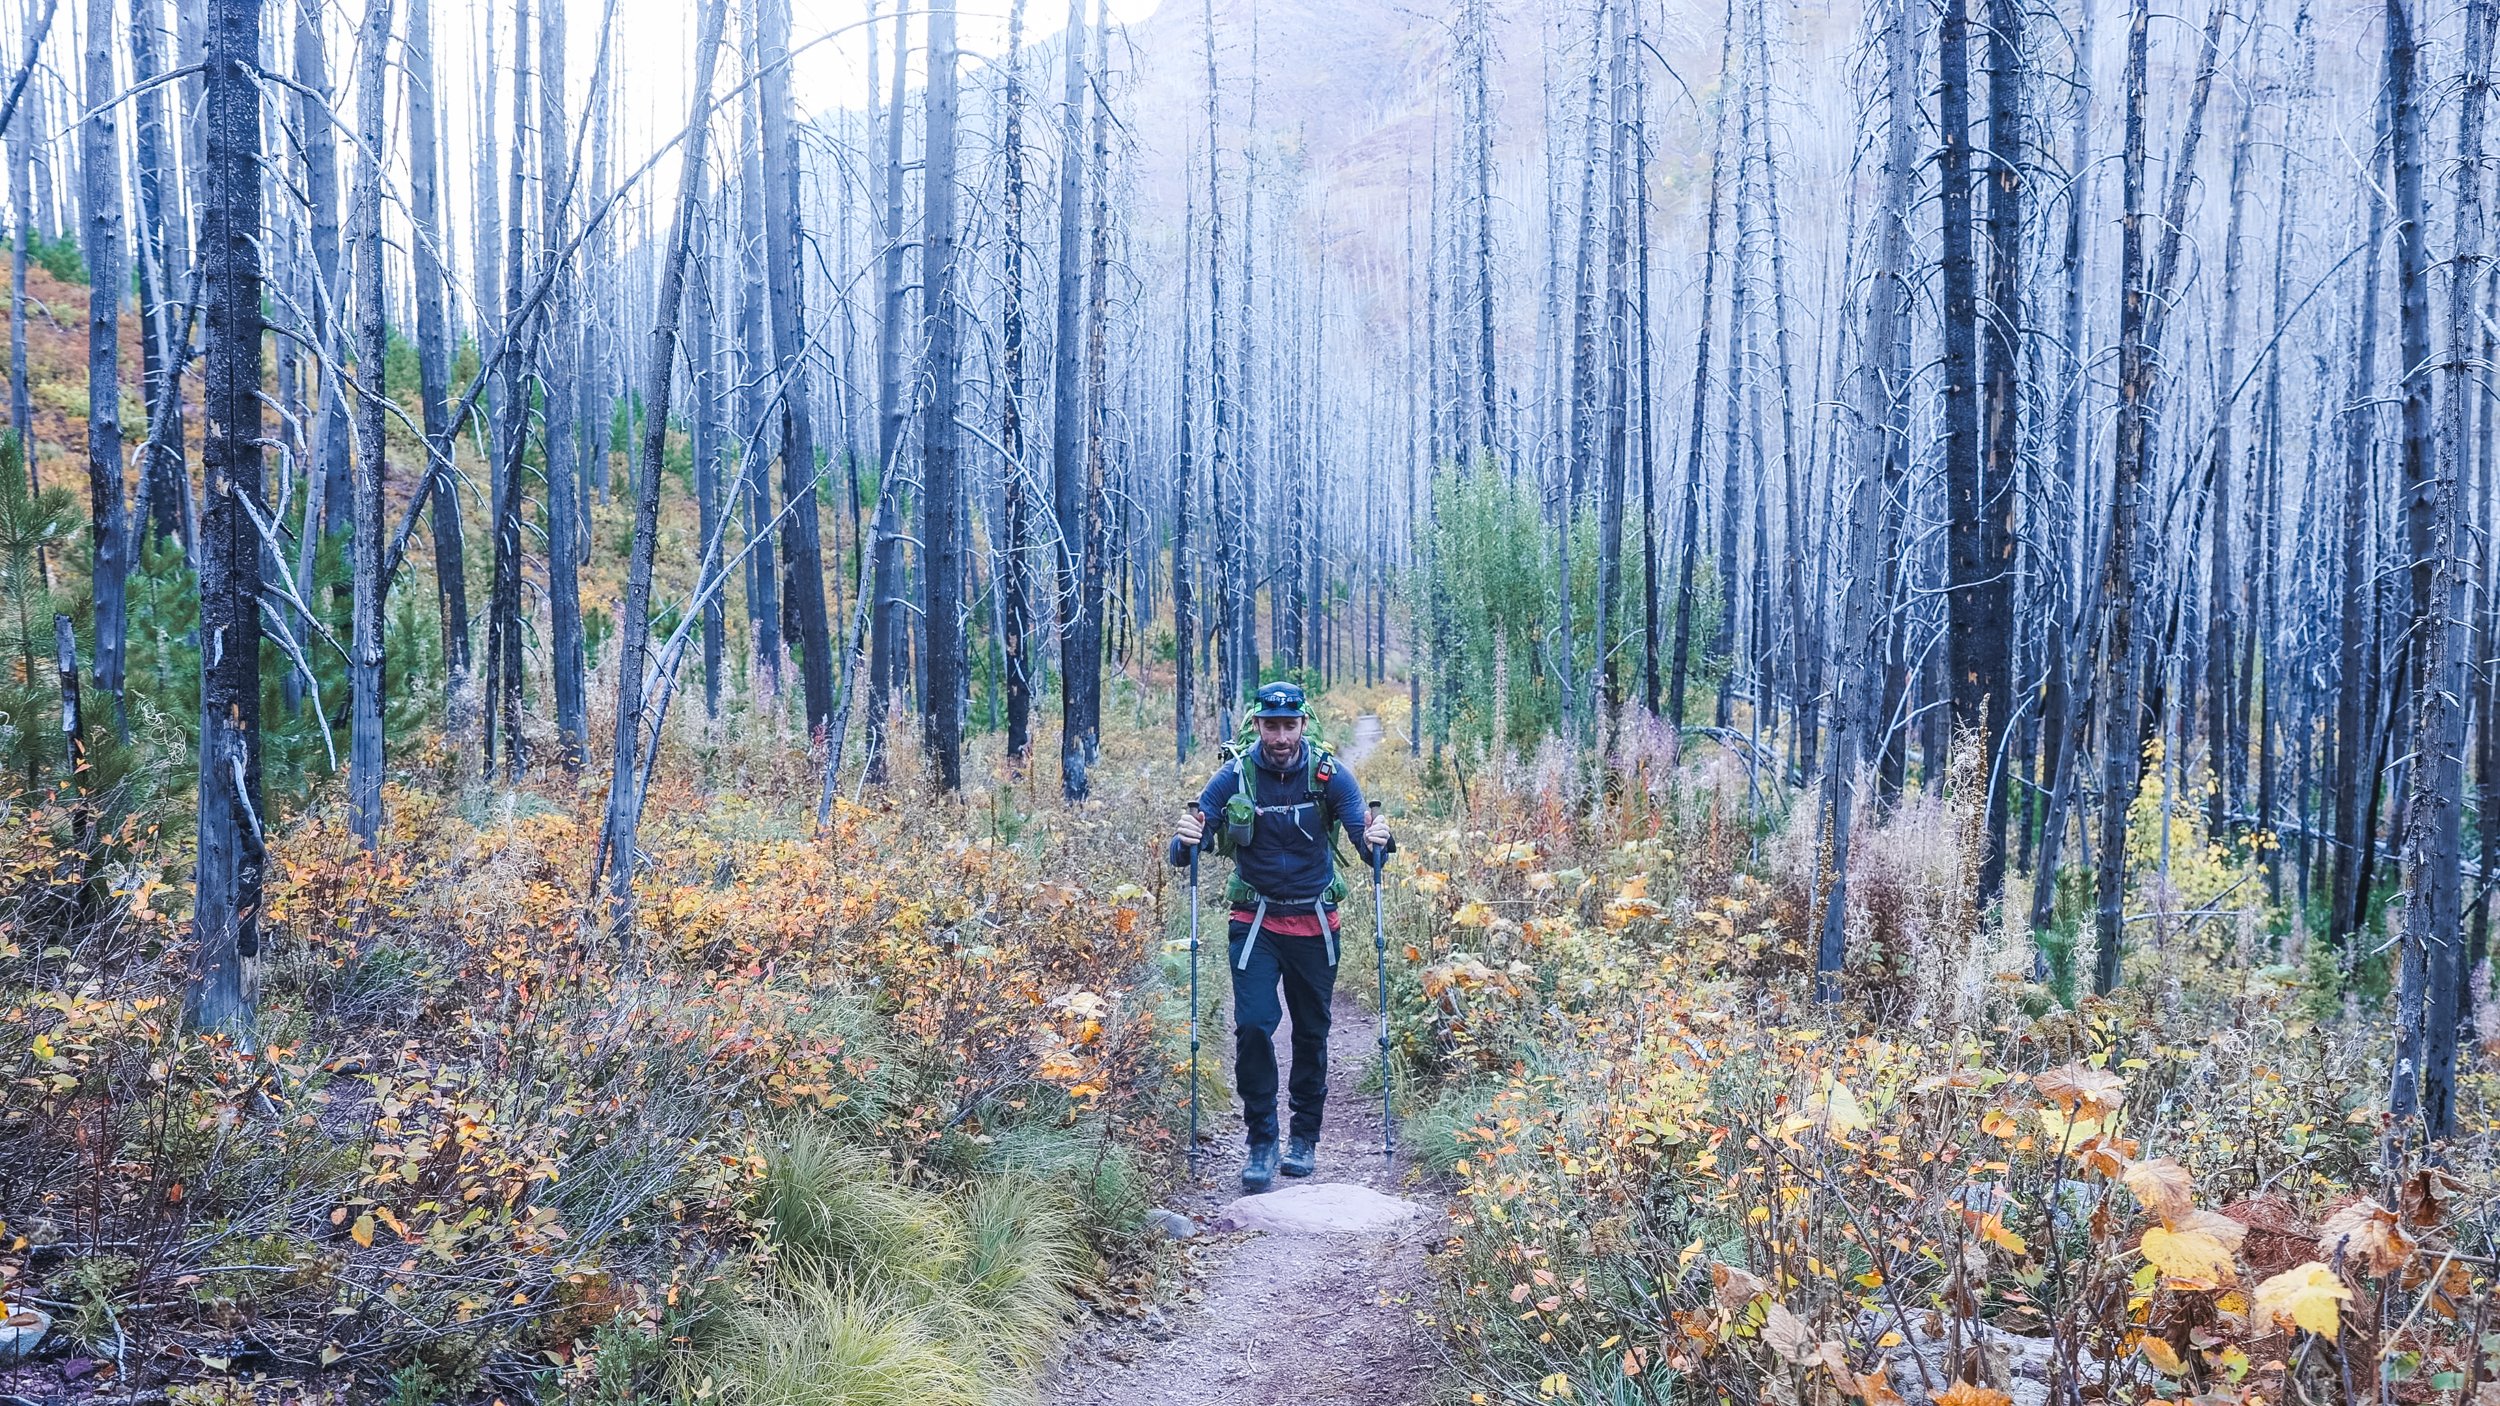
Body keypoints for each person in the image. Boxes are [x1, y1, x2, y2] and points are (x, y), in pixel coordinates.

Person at [1170, 680, 1393, 1192]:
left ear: (1302, 725)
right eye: (1270, 726)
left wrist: (1380, 839)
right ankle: (1261, 1141)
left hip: (1315, 922)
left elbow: (1366, 842)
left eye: (1288, 725)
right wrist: (1183, 841)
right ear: (1257, 726)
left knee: (1312, 1033)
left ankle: (1304, 1139)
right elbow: (1187, 847)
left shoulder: (1330, 776)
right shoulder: (1233, 777)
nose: (1279, 736)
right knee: (1252, 1026)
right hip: (1256, 921)